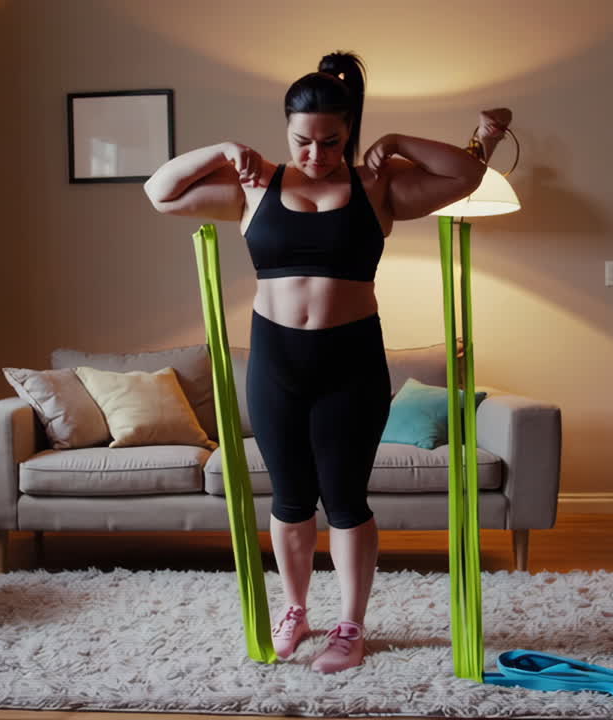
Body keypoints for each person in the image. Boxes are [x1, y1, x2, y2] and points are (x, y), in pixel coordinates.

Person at [143, 50, 510, 674]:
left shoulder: (378, 185)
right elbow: (160, 192)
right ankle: (295, 609)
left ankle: (350, 625)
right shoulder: (254, 186)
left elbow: (465, 176)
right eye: (302, 141)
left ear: (350, 130)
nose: (315, 155)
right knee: (288, 500)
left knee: (345, 500)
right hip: (276, 362)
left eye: (331, 141)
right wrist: (222, 148)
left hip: (351, 361)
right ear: (286, 131)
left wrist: (393, 141)